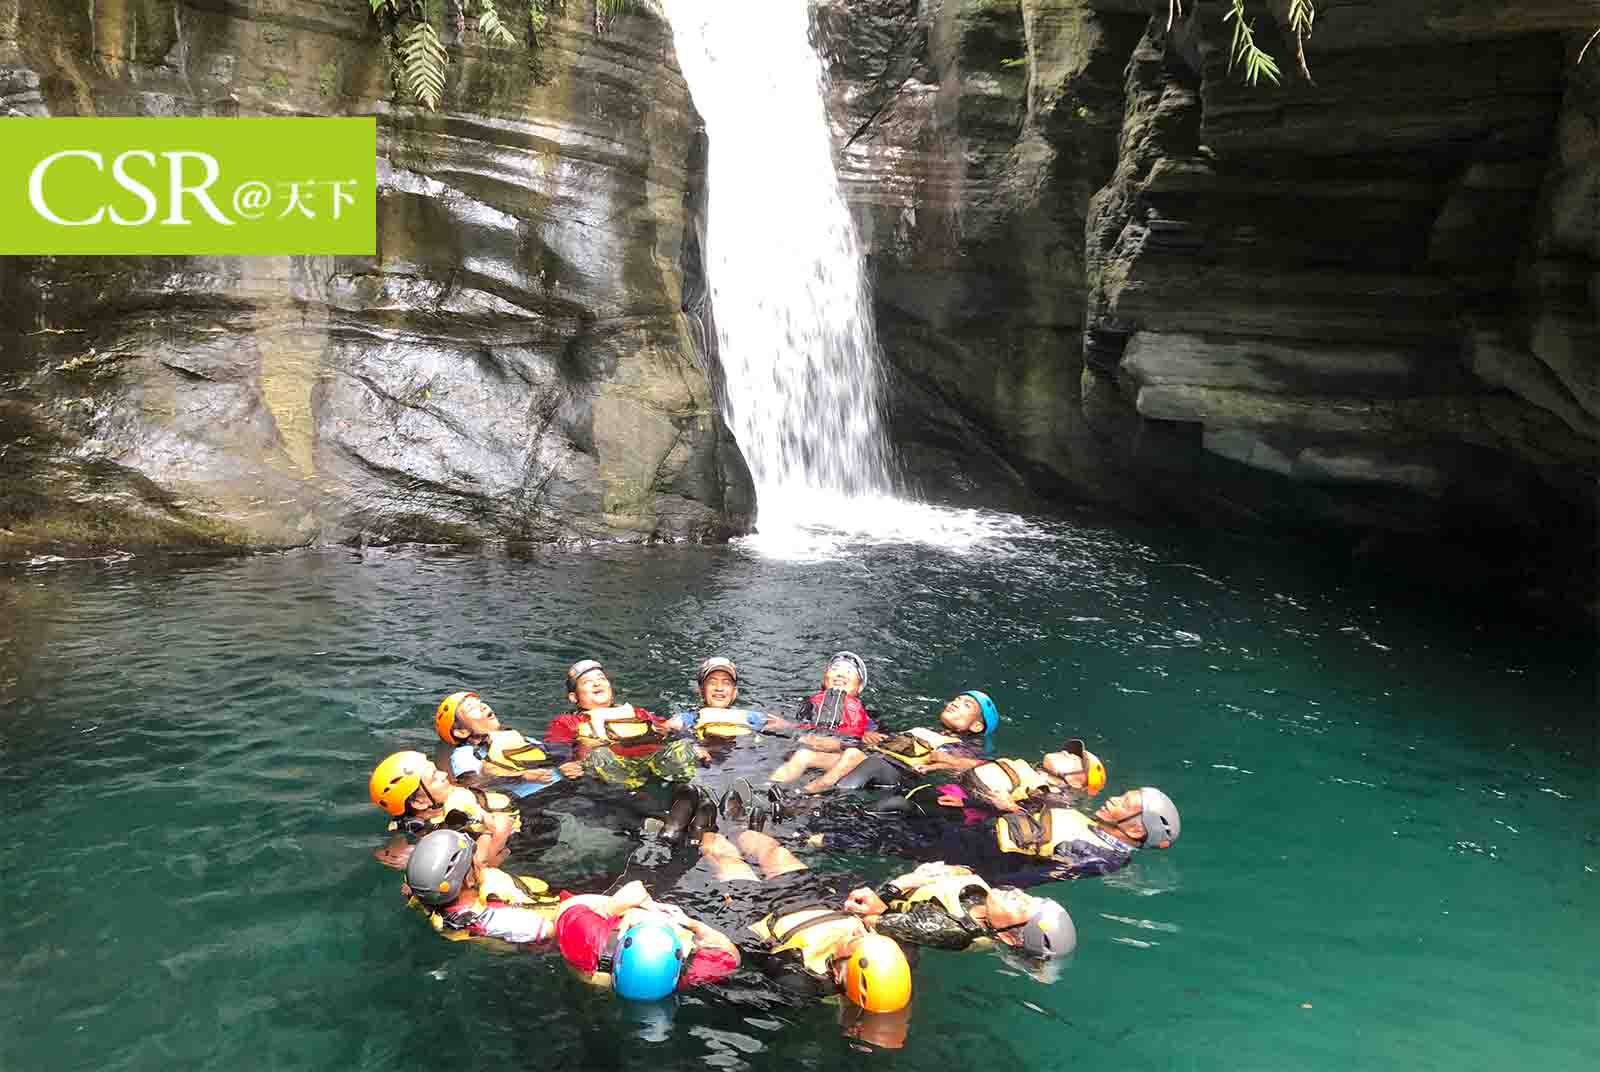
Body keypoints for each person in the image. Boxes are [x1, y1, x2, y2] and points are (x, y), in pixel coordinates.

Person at [696, 828, 913, 1015]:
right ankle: (740, 828)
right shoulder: (895, 955)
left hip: (761, 911)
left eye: (855, 939)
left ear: (837, 974)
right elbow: (891, 921)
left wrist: (718, 946)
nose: (861, 932)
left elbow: (731, 989)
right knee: (775, 852)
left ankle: (704, 831)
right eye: (867, 933)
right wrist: (881, 906)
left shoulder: (799, 983)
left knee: (725, 858)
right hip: (814, 899)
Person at [803, 786, 1181, 889]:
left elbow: (1037, 875)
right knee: (902, 814)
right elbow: (1038, 829)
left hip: (976, 854)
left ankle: (807, 838)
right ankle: (804, 815)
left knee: (886, 838)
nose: (1115, 799)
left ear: (1135, 829)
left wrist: (974, 881)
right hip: (974, 835)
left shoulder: (1101, 857)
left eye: (1126, 803)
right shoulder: (1093, 828)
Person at [840, 861, 1075, 960]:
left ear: (1006, 935)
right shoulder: (988, 906)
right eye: (1029, 897)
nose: (1018, 894)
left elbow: (869, 918)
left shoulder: (947, 929)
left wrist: (903, 882)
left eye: (1021, 905)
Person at [553, 879, 740, 999]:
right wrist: (688, 922)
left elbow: (568, 905)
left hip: (594, 940)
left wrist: (616, 909)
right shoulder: (686, 974)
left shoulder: (585, 937)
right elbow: (732, 955)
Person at [787, 690, 1001, 794]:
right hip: (874, 758)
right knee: (806, 754)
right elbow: (884, 745)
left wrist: (945, 760)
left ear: (976, 727)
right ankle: (772, 787)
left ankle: (805, 797)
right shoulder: (922, 730)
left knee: (856, 757)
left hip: (897, 776)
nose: (955, 703)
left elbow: (966, 768)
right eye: (956, 700)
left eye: (966, 705)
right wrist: (866, 737)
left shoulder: (967, 748)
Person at [544, 659, 701, 789]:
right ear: (573, 697)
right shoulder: (567, 722)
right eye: (587, 682)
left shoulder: (637, 713)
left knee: (683, 747)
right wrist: (565, 764)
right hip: (612, 773)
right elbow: (557, 747)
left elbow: (666, 727)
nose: (597, 684)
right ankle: (634, 796)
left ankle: (686, 789)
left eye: (601, 679)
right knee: (599, 755)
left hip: (651, 762)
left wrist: (681, 725)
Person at [403, 828, 560, 945]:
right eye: (473, 859)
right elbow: (554, 930)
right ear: (469, 879)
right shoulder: (499, 919)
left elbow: (409, 890)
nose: (478, 860)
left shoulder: (428, 897)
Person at [368, 750, 518, 870]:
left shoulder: (457, 798)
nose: (444, 774)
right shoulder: (433, 834)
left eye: (437, 770)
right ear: (419, 803)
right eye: (434, 777)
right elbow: (483, 864)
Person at [767, 652, 879, 787]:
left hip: (841, 761)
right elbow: (802, 729)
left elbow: (878, 746)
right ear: (824, 679)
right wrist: (786, 725)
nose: (841, 674)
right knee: (800, 755)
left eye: (849, 671)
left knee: (807, 757)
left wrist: (866, 735)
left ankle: (805, 792)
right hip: (809, 753)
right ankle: (769, 789)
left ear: (860, 687)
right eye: (835, 669)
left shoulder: (868, 718)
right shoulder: (810, 705)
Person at [434, 690, 563, 795]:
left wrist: (569, 763)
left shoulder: (513, 737)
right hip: (535, 799)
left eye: (480, 702)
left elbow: (551, 753)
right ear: (461, 732)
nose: (483, 706)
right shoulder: (464, 754)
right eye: (471, 708)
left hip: (563, 784)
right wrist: (521, 776)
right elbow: (473, 783)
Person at [660, 657, 797, 743]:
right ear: (701, 690)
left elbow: (794, 730)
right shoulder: (688, 719)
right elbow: (664, 728)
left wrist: (788, 728)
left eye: (726, 683)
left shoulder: (752, 718)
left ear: (734, 693)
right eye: (712, 682)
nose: (719, 688)